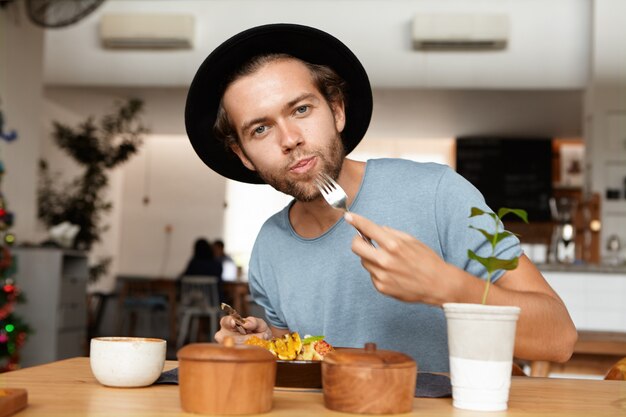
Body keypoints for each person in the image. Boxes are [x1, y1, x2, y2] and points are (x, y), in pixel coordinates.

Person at [184, 24, 577, 371]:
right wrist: (263, 345)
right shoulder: (270, 246)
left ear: (337, 110)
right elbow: (300, 365)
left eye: (301, 109)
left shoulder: (439, 192)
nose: (290, 140)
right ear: (243, 156)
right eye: (260, 130)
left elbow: (559, 338)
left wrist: (446, 286)